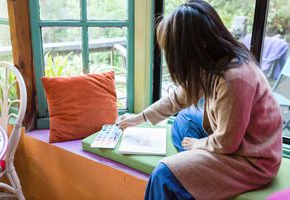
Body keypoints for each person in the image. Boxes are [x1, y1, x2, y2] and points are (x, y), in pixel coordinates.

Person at [118, 0, 283, 199]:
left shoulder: (235, 79)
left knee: (163, 174)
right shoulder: (213, 61)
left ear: (199, 45)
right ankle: (194, 174)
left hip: (252, 159)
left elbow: (227, 143)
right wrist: (141, 117)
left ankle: (188, 177)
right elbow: (179, 97)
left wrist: (198, 145)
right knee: (184, 120)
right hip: (234, 138)